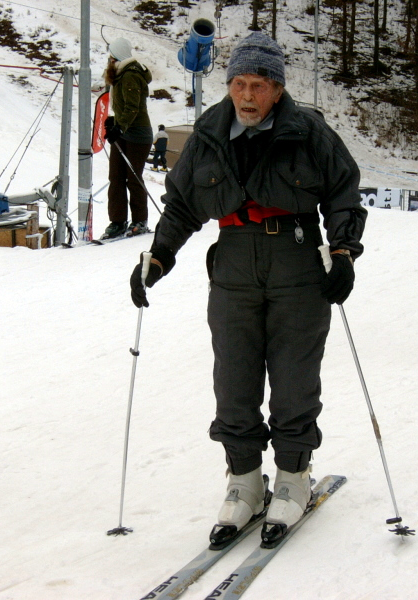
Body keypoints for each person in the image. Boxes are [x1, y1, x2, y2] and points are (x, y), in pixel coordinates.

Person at [128, 32, 367, 546]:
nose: (247, 95)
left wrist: (343, 252)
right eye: (238, 83)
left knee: (293, 377)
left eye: (258, 84)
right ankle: (242, 482)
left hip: (298, 263)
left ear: (277, 88)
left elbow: (343, 194)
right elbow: (183, 205)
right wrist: (159, 256)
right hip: (233, 264)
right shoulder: (210, 133)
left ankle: (292, 478)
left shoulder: (310, 132)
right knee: (233, 378)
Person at [101, 38, 153, 239]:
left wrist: (118, 127)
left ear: (118, 57)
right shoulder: (122, 74)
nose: (109, 61)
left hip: (138, 133)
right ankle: (117, 222)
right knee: (115, 177)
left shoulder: (130, 75)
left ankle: (139, 220)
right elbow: (124, 107)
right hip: (124, 131)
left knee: (133, 178)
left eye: (111, 57)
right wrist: (114, 121)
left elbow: (133, 108)